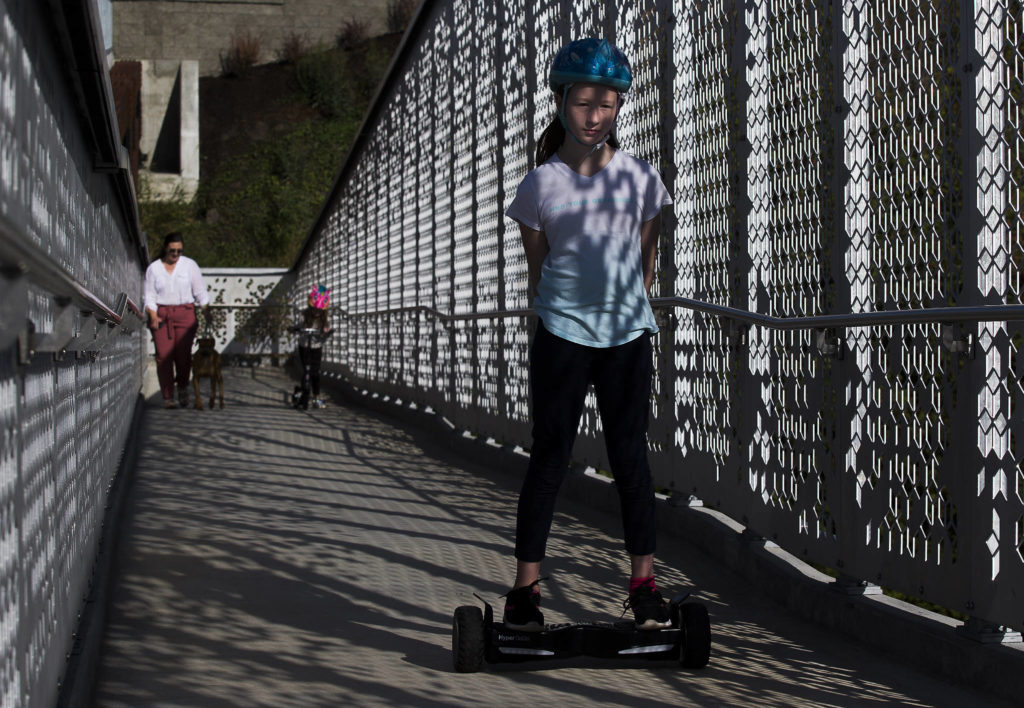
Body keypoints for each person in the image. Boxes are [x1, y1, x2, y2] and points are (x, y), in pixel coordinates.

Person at [503, 38, 673, 631]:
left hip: (627, 335)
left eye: (606, 104)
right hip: (562, 334)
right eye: (582, 103)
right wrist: (567, 312)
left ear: (619, 107)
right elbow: (540, 267)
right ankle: (525, 591)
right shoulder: (539, 185)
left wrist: (624, 306)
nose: (594, 115)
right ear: (561, 103)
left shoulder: (641, 181)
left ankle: (644, 584)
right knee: (549, 456)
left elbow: (644, 265)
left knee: (631, 459)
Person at [143, 232, 211, 408]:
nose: (175, 254)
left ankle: (182, 387)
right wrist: (153, 315)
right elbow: (149, 295)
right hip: (162, 314)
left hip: (185, 313)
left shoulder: (189, 266)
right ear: (166, 248)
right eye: (173, 250)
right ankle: (168, 396)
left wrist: (206, 309)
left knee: (183, 357)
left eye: (179, 251)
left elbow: (200, 291)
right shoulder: (154, 268)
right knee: (163, 357)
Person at [296, 284, 332, 408]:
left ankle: (316, 396)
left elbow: (327, 329)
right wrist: (299, 329)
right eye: (314, 310)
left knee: (315, 372)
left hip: (316, 346)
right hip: (305, 345)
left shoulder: (325, 318)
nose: (316, 312)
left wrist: (326, 330)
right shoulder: (304, 315)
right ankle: (303, 392)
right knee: (306, 370)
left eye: (319, 310)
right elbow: (299, 325)